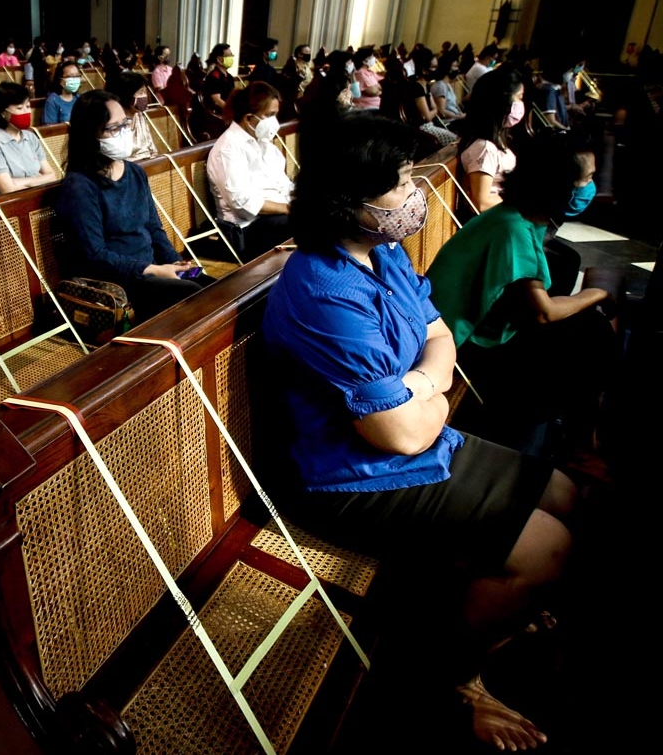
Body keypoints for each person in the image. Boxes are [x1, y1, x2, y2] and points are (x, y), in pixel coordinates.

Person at [261, 111, 579, 753]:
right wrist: (425, 391)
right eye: (402, 184)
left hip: (415, 440)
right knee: (548, 548)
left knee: (567, 495)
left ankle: (496, 606)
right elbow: (397, 436)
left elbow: (438, 337)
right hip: (347, 477)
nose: (416, 196)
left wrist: (421, 387)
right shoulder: (321, 287)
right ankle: (451, 679)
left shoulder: (383, 252)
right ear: (348, 202)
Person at [426, 133, 617, 456]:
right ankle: (576, 439)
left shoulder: (515, 217)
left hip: (473, 332)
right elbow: (545, 311)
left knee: (570, 275)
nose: (589, 186)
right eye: (584, 179)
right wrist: (597, 293)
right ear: (557, 184)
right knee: (592, 334)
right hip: (460, 350)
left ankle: (572, 426)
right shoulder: (511, 230)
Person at [54, 91, 212, 321]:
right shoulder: (80, 186)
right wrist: (155, 271)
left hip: (151, 270)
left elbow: (154, 229)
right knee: (193, 296)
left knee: (215, 287)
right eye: (113, 129)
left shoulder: (135, 172)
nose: (123, 133)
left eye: (125, 125)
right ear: (91, 134)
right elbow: (95, 255)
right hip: (118, 283)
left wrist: (175, 263)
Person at [206, 82, 293, 259]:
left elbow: (284, 185)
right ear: (248, 118)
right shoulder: (228, 149)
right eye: (270, 115)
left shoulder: (264, 144)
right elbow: (242, 204)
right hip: (247, 229)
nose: (274, 121)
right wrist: (288, 208)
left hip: (277, 218)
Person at [456, 67, 524, 216]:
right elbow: (481, 203)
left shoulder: (497, 139)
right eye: (519, 97)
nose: (521, 104)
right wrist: (520, 200)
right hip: (492, 220)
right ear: (502, 102)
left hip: (501, 214)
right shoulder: (484, 147)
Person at [0, 82, 56, 196]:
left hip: (38, 197)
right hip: (11, 204)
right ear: (3, 113)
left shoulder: (31, 137)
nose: (26, 112)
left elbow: (52, 176)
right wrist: (39, 179)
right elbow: (8, 189)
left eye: (28, 106)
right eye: (20, 108)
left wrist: (22, 182)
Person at [105, 70, 158, 161]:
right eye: (141, 92)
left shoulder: (139, 116)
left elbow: (150, 146)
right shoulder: (113, 120)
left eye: (145, 92)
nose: (145, 96)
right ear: (127, 95)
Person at [429, 58, 465, 124]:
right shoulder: (440, 86)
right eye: (455, 66)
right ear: (448, 69)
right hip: (448, 122)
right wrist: (458, 117)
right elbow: (441, 111)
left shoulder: (447, 85)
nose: (458, 69)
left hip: (454, 119)